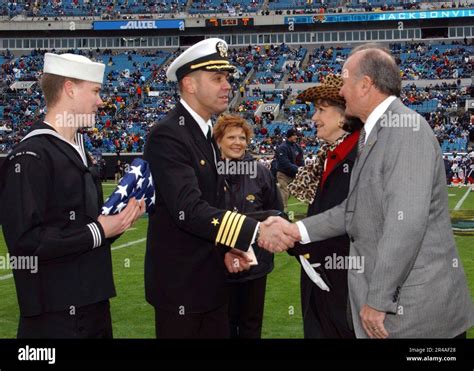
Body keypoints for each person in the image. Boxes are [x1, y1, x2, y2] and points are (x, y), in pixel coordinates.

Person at [266, 44, 474, 338]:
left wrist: (378, 299)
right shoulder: (373, 134)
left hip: (415, 315)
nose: (341, 92)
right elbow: (354, 208)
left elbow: (406, 223)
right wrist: (297, 230)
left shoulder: (406, 131)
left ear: (365, 85)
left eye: (345, 81)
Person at [143, 38, 298, 339]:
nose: (227, 85)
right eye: (217, 78)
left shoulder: (203, 135)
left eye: (226, 77)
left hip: (211, 280)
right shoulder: (168, 135)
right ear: (188, 83)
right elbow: (189, 210)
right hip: (182, 291)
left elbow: (212, 207)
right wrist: (255, 231)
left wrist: (226, 250)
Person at [0, 53, 145, 338]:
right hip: (54, 318)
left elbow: (80, 231)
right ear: (69, 88)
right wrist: (98, 230)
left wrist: (115, 224)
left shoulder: (79, 152)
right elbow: (26, 243)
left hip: (92, 307)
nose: (101, 100)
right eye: (95, 90)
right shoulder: (32, 155)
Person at [288, 74, 362, 338]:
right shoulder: (329, 156)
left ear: (344, 115)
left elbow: (350, 223)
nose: (313, 118)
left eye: (321, 110)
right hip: (322, 279)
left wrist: (291, 236)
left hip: (343, 285)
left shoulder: (360, 157)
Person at [213, 113, 283, 338]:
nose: (237, 142)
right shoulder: (209, 173)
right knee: (221, 323)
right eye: (231, 137)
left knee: (251, 325)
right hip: (218, 262)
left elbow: (276, 212)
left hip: (256, 264)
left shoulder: (260, 172)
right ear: (218, 141)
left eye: (242, 138)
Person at [275, 128, 304, 209]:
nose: (296, 137)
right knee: (285, 192)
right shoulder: (282, 147)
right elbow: (284, 163)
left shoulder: (297, 147)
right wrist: (299, 169)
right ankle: (282, 212)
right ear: (289, 136)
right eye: (294, 135)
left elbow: (301, 160)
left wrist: (302, 168)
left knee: (290, 194)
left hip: (293, 174)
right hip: (283, 174)